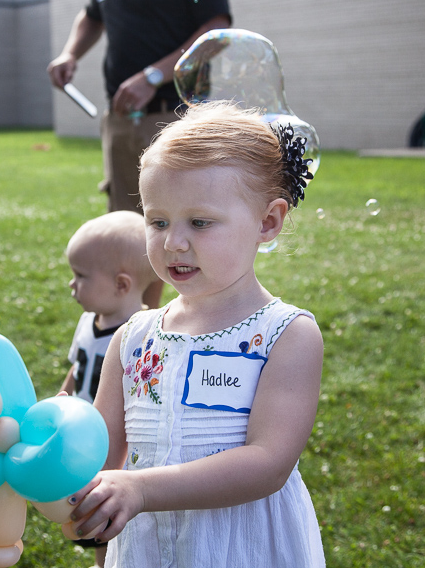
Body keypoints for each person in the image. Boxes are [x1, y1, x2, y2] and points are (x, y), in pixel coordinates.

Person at [65, 104, 325, 567]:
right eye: (158, 221)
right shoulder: (134, 337)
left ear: (268, 222)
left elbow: (268, 463)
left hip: (240, 547)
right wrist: (38, 451)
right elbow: (99, 451)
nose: (173, 243)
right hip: (145, 546)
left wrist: (141, 488)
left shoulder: (285, 335)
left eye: (199, 223)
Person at [47, 0, 232, 216]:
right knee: (125, 224)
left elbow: (215, 34)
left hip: (175, 116)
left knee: (179, 224)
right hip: (119, 119)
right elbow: (92, 16)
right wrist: (70, 54)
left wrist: (152, 76)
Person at [59, 210, 157, 568]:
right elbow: (78, 366)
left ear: (121, 284)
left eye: (80, 276)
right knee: (79, 506)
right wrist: (63, 398)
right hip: (79, 437)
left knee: (103, 513)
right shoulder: (88, 321)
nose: (72, 285)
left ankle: (106, 562)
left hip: (111, 444)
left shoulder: (144, 337)